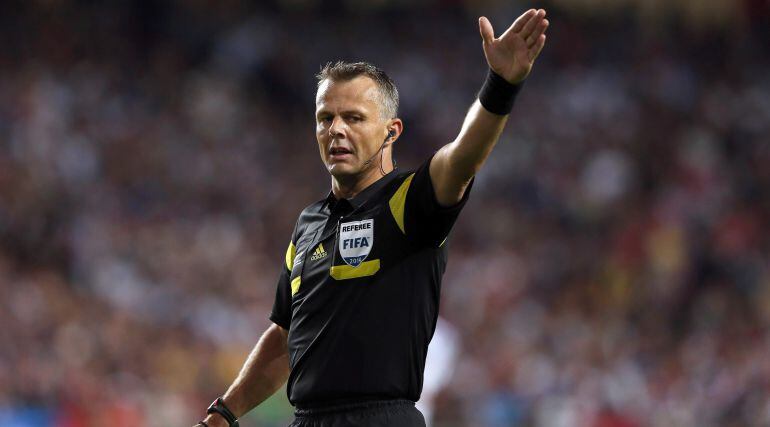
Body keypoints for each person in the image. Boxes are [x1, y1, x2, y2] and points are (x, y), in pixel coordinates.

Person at [195, 8, 549, 427]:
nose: (336, 130)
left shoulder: (408, 202)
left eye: (354, 118)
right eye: (325, 118)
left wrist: (501, 84)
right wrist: (224, 412)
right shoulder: (308, 224)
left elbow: (463, 156)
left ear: (391, 131)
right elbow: (284, 338)